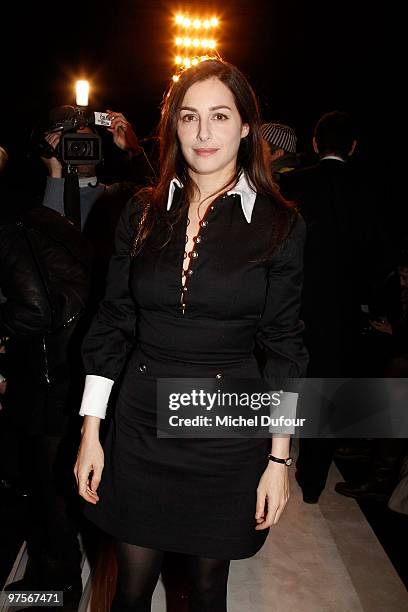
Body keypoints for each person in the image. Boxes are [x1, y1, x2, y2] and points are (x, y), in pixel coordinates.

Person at [74, 58, 308, 611]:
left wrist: (280, 461)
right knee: (131, 586)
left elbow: (285, 345)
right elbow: (112, 322)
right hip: (139, 421)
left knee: (205, 588)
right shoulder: (143, 211)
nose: (203, 133)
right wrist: (91, 430)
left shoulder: (281, 223)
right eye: (189, 117)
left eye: (220, 116)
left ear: (246, 127)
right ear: (173, 127)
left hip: (229, 427)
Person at [281, 111, 390, 503]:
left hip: (290, 304)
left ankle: (267, 464)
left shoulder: (292, 183)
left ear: (314, 143)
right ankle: (311, 484)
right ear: (354, 147)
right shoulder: (370, 190)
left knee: (281, 382)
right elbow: (381, 256)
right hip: (342, 311)